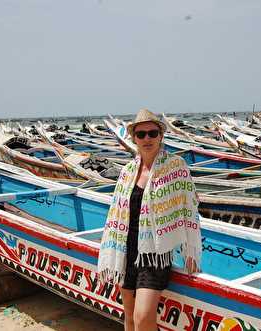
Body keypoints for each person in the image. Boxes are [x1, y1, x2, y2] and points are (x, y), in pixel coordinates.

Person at [97, 109, 201, 331]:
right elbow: (115, 213)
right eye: (141, 134)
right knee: (130, 318)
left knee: (143, 316)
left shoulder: (176, 167)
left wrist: (190, 250)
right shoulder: (127, 172)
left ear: (161, 136)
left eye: (152, 133)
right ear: (133, 138)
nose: (147, 139)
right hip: (126, 251)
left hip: (155, 253)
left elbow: (189, 208)